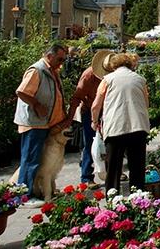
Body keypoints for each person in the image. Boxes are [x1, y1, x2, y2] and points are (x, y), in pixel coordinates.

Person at [14, 43, 67, 207]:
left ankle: (36, 191)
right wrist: (37, 105)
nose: (61, 63)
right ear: (49, 56)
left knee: (38, 160)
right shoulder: (37, 70)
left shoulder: (50, 71)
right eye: (59, 59)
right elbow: (21, 91)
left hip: (44, 123)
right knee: (30, 159)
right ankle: (24, 196)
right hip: (33, 123)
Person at [91, 52, 150, 194]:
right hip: (138, 127)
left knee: (113, 167)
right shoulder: (140, 79)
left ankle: (112, 197)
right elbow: (146, 103)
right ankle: (138, 197)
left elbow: (96, 105)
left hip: (115, 127)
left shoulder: (107, 80)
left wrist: (94, 121)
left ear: (113, 66)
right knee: (137, 166)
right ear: (130, 65)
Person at [63, 49, 110, 186]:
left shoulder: (112, 74)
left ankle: (111, 172)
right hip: (89, 111)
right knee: (90, 143)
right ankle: (86, 177)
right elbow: (77, 97)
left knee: (110, 142)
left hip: (107, 110)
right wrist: (69, 119)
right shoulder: (88, 76)